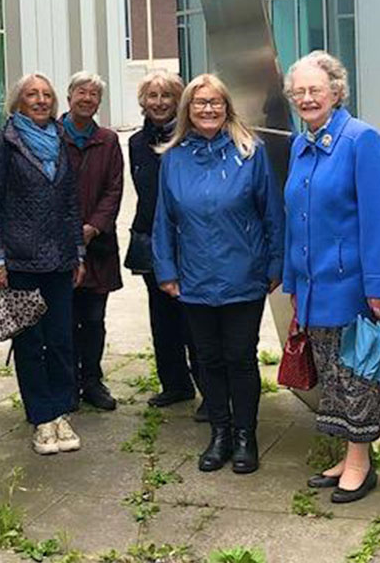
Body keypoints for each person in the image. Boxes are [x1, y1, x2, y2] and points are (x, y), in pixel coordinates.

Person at [283, 50, 380, 503]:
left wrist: (379, 286)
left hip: (353, 289)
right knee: (334, 378)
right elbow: (297, 217)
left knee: (357, 378)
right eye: (299, 92)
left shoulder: (360, 139)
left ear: (336, 91)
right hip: (313, 288)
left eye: (315, 89)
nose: (307, 98)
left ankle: (359, 464)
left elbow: (379, 220)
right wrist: (292, 282)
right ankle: (349, 456)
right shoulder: (300, 143)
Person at [152, 73, 283, 475]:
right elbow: (163, 220)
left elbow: (272, 213)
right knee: (208, 359)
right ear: (187, 110)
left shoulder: (250, 152)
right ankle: (220, 433)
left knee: (240, 358)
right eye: (199, 103)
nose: (208, 109)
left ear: (227, 107)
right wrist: (166, 269)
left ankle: (246, 436)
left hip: (244, 276)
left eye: (215, 102)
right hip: (194, 278)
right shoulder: (173, 158)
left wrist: (276, 264)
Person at [0, 72, 86, 456]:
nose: (41, 100)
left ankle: (61, 411)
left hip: (60, 259)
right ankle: (42, 417)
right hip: (20, 261)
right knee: (31, 341)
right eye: (32, 95)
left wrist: (78, 251)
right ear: (18, 102)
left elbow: (72, 203)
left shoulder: (61, 140)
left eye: (47, 94)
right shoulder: (5, 142)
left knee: (62, 340)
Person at [127, 70, 206, 421]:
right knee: (161, 317)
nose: (159, 103)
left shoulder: (189, 138)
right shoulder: (135, 143)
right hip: (149, 238)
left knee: (193, 317)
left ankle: (209, 387)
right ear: (143, 101)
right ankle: (174, 384)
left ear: (179, 101)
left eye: (167, 96)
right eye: (152, 96)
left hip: (187, 238)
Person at [60, 71, 124, 411]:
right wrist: (69, 230)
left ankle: (92, 380)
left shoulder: (109, 140)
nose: (87, 99)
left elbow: (114, 189)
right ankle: (67, 382)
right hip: (58, 246)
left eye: (93, 95)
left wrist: (94, 226)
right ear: (69, 96)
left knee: (95, 319)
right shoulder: (52, 136)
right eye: (81, 93)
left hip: (98, 246)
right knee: (64, 318)